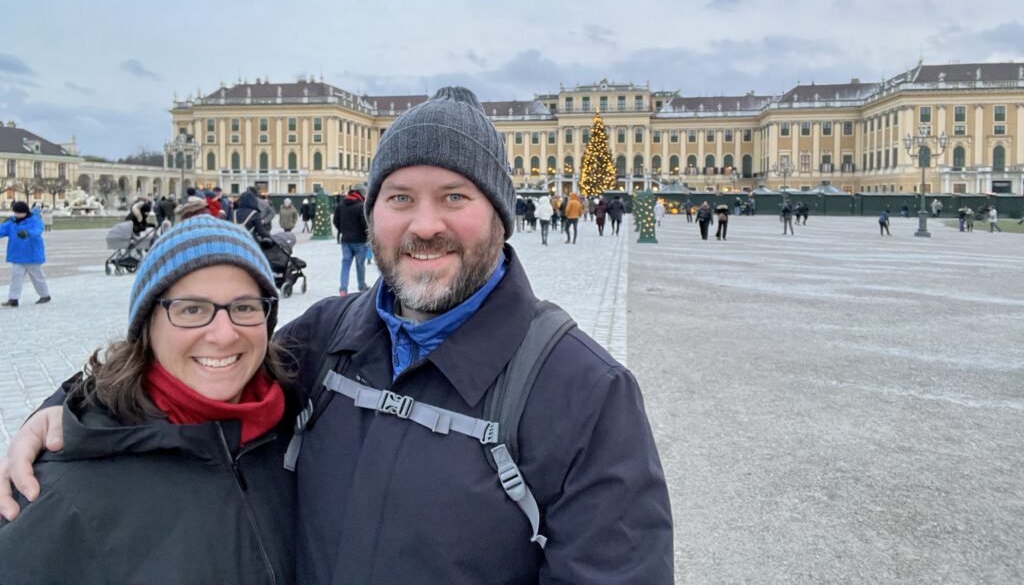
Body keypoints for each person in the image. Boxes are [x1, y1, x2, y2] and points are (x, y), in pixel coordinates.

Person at [0, 86, 674, 585]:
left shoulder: (587, 392)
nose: (425, 224)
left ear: (500, 216)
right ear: (371, 210)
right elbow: (203, 369)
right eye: (400, 198)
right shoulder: (329, 335)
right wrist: (69, 410)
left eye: (456, 197)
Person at [0, 216, 295, 584]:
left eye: (245, 307)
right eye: (191, 309)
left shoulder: (300, 425)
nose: (224, 334)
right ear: (146, 326)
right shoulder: (65, 490)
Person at [0, 202, 51, 307]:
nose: (16, 214)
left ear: (25, 212)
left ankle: (45, 295)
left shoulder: (35, 221)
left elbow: (37, 230)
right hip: (17, 256)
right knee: (16, 278)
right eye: (15, 212)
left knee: (37, 277)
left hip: (32, 256)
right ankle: (13, 299)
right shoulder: (12, 222)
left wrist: (28, 233)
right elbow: (2, 230)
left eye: (19, 212)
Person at [336, 184, 369, 296]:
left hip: (345, 241)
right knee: (360, 266)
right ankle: (362, 287)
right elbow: (365, 225)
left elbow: (336, 221)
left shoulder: (341, 206)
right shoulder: (361, 207)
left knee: (345, 264)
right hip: (360, 241)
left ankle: (343, 289)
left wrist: (343, 231)